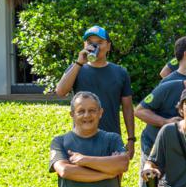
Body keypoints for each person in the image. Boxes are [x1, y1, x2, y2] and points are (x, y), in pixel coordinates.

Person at [54, 25, 135, 157]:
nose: (95, 46)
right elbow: (60, 91)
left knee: (112, 170)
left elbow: (127, 108)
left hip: (111, 139)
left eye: (99, 42)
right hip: (81, 139)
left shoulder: (120, 72)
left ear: (108, 46)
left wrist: (131, 139)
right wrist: (79, 62)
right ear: (84, 45)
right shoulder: (76, 68)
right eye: (90, 42)